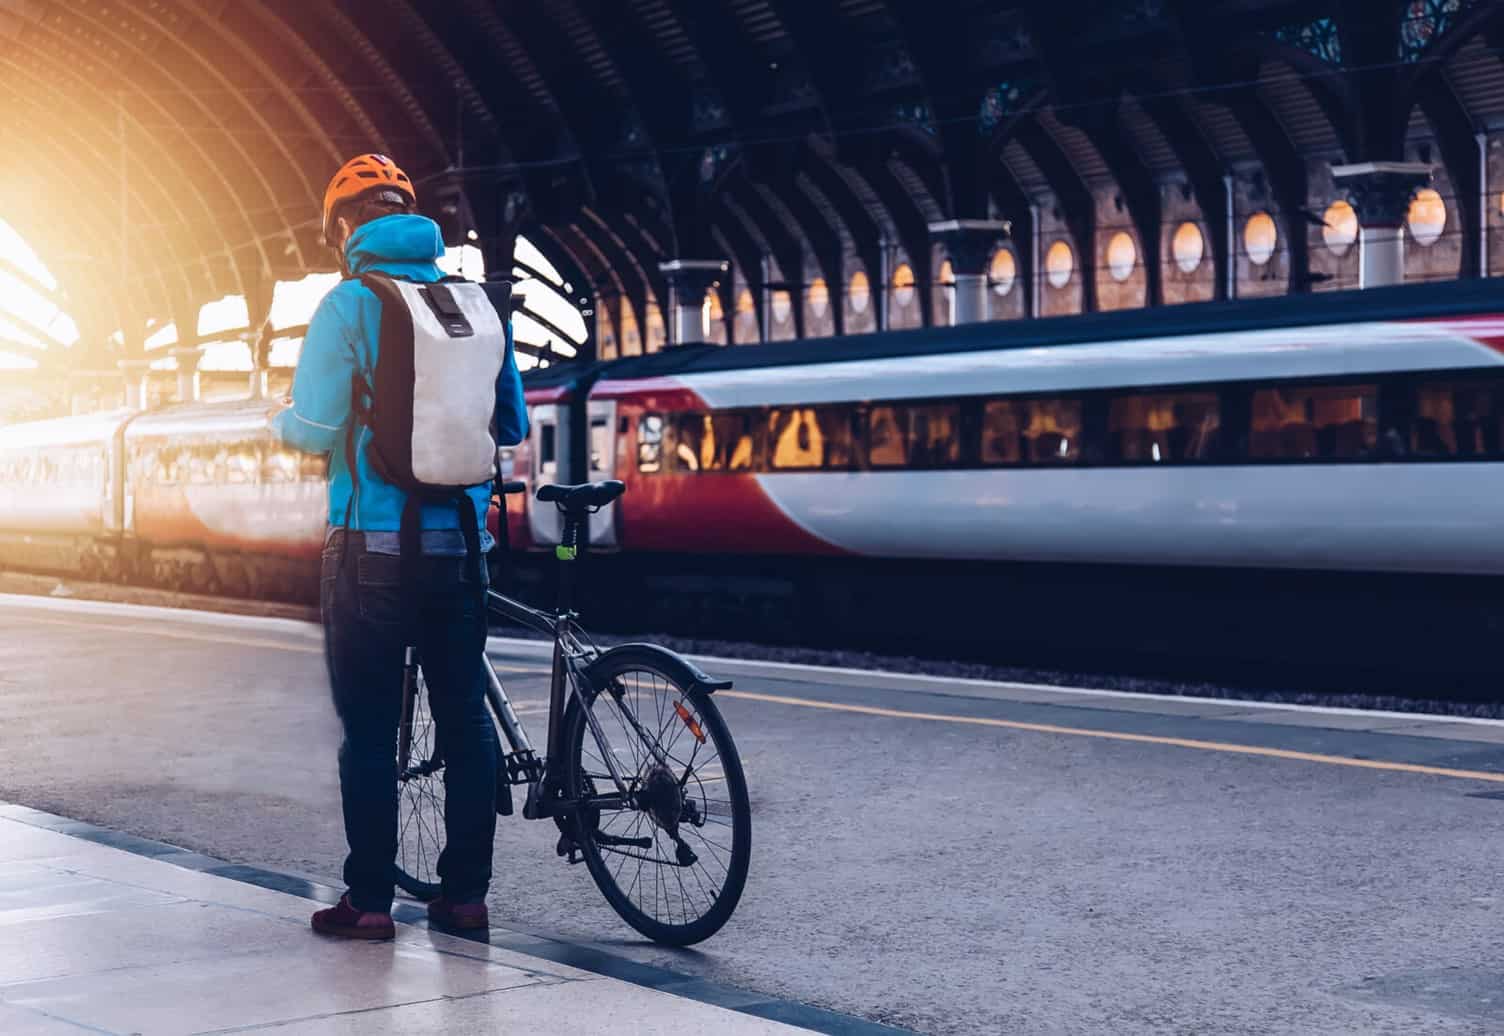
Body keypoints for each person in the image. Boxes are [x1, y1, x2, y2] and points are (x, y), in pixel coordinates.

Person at [269, 154, 527, 940]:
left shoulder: (349, 304)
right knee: (466, 724)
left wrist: (282, 418)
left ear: (346, 228)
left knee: (372, 730)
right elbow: (509, 425)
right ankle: (465, 897)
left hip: (369, 554)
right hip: (459, 549)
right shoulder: (476, 304)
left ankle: (371, 904)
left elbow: (311, 429)